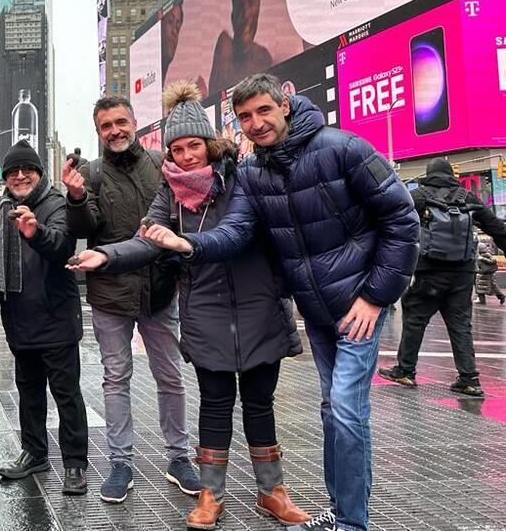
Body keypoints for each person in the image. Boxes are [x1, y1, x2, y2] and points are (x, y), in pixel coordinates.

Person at [157, 74, 419, 531]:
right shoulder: (255, 173)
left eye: (263, 111)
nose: (256, 123)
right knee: (331, 409)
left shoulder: (343, 147)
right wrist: (188, 246)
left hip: (359, 304)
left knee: (343, 408)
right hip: (318, 313)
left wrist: (376, 297)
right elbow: (236, 230)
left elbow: (401, 217)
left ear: (286, 104)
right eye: (244, 117)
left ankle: (351, 523)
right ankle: (340, 514)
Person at [71, 82, 309, 529]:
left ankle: (272, 491)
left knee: (260, 403)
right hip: (206, 311)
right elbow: (147, 238)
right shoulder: (171, 192)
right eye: (177, 149)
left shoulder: (244, 178)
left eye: (193, 146)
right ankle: (210, 493)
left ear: (210, 143)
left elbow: (235, 233)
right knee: (215, 404)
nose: (185, 157)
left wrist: (185, 243)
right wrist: (105, 255)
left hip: (258, 306)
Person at [62, 96, 200, 504]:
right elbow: (85, 227)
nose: (115, 131)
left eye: (121, 122)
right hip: (110, 292)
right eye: (106, 126)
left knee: (170, 376)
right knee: (115, 378)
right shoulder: (91, 173)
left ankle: (178, 457)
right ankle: (121, 463)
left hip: (160, 290)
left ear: (135, 123)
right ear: (98, 131)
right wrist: (73, 197)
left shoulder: (161, 164)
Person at [0, 141, 89, 496]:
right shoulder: (3, 205)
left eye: (27, 170)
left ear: (39, 173)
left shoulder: (54, 204)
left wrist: (35, 232)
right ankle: (34, 452)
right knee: (28, 391)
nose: (20, 176)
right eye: (13, 171)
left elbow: (63, 245)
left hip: (54, 316)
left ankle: (75, 462)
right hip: (18, 316)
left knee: (67, 394)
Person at [378, 158, 506, 397]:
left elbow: (391, 220)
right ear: (451, 175)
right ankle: (469, 379)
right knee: (460, 325)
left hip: (429, 271)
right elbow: (497, 229)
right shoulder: (468, 198)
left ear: (429, 174)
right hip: (463, 273)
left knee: (415, 317)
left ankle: (405, 370)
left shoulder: (420, 196)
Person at [208, 0, 273, 95]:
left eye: (251, 1)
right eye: (240, 4)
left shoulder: (264, 57)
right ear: (232, 15)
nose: (246, 13)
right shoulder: (224, 46)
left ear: (259, 6)